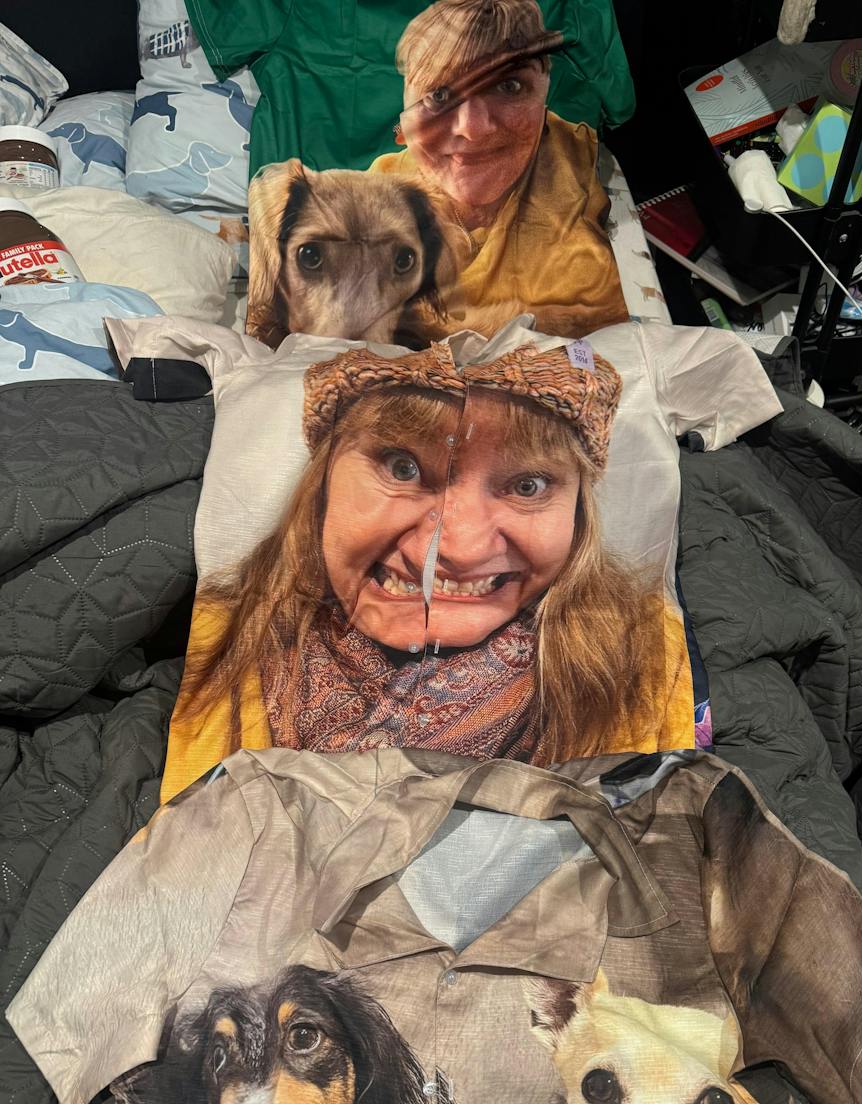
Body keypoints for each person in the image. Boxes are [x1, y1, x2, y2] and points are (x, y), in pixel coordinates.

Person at [161, 341, 694, 801]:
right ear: (321, 484)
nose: (458, 549)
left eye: (527, 486)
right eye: (403, 468)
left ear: (578, 513)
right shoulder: (223, 632)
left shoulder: (642, 654)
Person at [367, 0, 629, 341]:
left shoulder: (571, 156)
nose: (473, 128)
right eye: (439, 95)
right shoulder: (371, 200)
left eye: (509, 87)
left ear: (545, 90)